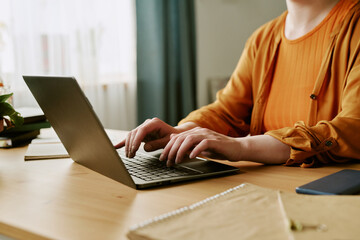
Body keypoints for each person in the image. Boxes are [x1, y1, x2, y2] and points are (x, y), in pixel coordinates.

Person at [116, 0, 360, 168]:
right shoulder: (262, 39)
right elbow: (226, 110)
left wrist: (242, 147)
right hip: (265, 190)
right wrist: (182, 132)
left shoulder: (355, 26)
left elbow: (352, 129)